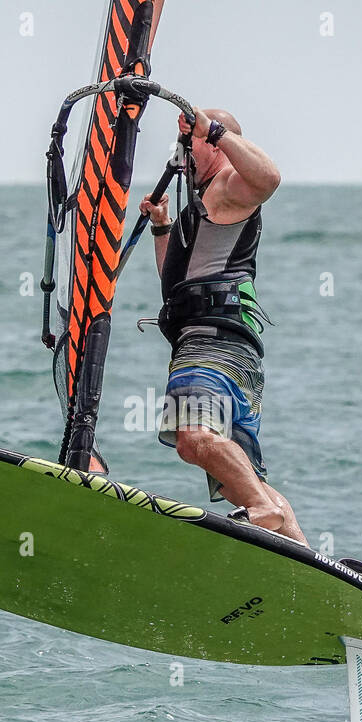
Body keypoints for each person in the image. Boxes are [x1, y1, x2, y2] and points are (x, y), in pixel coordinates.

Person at [139, 107, 307, 545]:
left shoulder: (229, 187)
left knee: (192, 437)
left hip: (212, 346)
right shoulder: (202, 208)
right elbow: (177, 286)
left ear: (210, 144)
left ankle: (265, 511)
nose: (181, 157)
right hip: (227, 349)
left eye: (187, 145)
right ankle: (307, 561)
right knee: (240, 479)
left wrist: (211, 130)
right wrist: (162, 230)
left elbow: (269, 179)